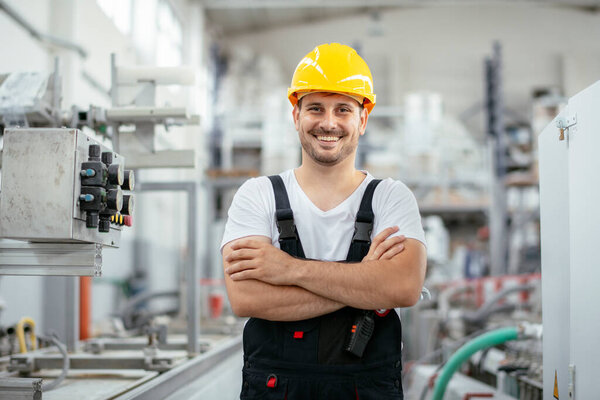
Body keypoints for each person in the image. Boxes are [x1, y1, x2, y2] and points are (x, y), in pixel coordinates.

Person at [221, 43, 427, 400]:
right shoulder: (257, 196)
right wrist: (366, 284)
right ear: (296, 115)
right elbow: (245, 297)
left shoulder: (391, 198)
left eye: (343, 109)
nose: (328, 123)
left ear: (362, 119)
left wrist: (287, 269)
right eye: (315, 108)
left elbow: (403, 288)